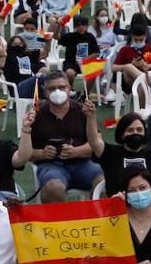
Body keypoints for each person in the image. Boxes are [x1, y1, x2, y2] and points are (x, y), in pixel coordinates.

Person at [25, 71, 102, 203]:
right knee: (54, 188)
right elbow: (24, 152)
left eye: (62, 87)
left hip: (83, 163)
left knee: (104, 181)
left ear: (69, 89)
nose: (57, 91)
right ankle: (54, 223)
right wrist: (42, 153)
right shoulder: (36, 115)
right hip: (50, 166)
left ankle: (98, 219)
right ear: (45, 92)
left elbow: (97, 144)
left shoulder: (82, 111)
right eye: (52, 89)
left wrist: (76, 151)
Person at [86, 104, 151, 195]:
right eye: (130, 130)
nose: (135, 133)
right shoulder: (110, 153)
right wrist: (90, 117)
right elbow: (94, 141)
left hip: (150, 211)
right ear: (122, 135)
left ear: (145, 133)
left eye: (139, 129)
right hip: (119, 211)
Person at [112, 23, 151, 93]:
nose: (138, 42)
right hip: (132, 82)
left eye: (141, 40)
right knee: (128, 67)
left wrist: (148, 66)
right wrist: (132, 65)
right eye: (135, 40)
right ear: (131, 37)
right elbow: (114, 68)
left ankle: (144, 82)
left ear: (145, 36)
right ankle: (144, 81)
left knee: (141, 88)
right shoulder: (125, 49)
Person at [58, 15, 100, 85]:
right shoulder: (69, 36)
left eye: (83, 25)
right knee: (70, 73)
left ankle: (85, 94)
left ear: (86, 26)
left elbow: (96, 53)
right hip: (71, 63)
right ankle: (70, 89)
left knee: (93, 73)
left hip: (86, 63)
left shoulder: (90, 37)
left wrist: (86, 59)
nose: (81, 27)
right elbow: (57, 37)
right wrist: (58, 27)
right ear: (75, 26)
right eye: (78, 25)